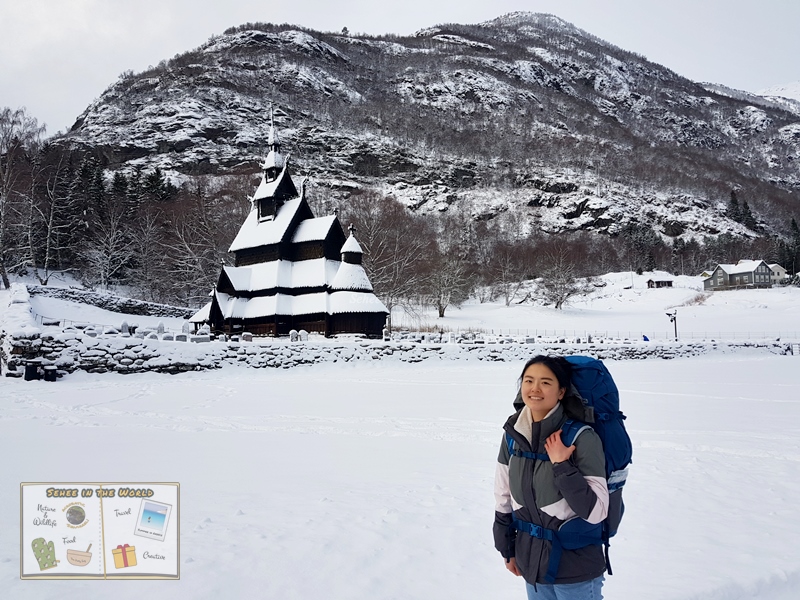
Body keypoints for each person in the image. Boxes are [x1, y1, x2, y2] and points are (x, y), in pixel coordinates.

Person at [493, 355, 609, 599]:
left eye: (546, 382)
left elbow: (597, 511)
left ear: (561, 392)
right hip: (532, 563)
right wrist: (507, 548)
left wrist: (562, 465)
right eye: (528, 380)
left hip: (576, 568)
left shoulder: (581, 437)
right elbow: (503, 495)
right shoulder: (513, 435)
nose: (535, 389)